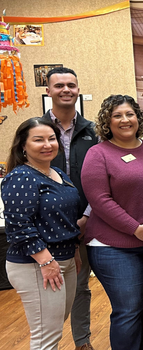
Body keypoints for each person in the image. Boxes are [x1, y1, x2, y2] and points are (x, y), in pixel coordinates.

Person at [82, 95, 143, 350]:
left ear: (139, 118)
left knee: (136, 306)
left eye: (130, 114)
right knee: (127, 309)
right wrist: (135, 229)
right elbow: (100, 200)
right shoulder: (98, 154)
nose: (125, 120)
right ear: (107, 121)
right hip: (112, 246)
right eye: (117, 115)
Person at [3, 117, 81, 350]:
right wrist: (46, 261)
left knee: (54, 328)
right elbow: (18, 225)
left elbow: (66, 219)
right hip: (36, 264)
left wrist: (74, 251)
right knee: (45, 336)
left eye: (51, 138)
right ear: (23, 146)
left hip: (64, 259)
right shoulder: (21, 177)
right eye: (38, 140)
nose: (48, 144)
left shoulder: (56, 173)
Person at [41, 66, 98, 350]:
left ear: (78, 89)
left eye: (71, 85)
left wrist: (87, 216)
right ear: (48, 91)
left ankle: (82, 342)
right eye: (59, 85)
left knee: (80, 286)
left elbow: (102, 178)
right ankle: (46, 343)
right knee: (43, 290)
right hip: (44, 227)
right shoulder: (35, 129)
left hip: (84, 222)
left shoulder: (94, 132)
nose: (66, 90)